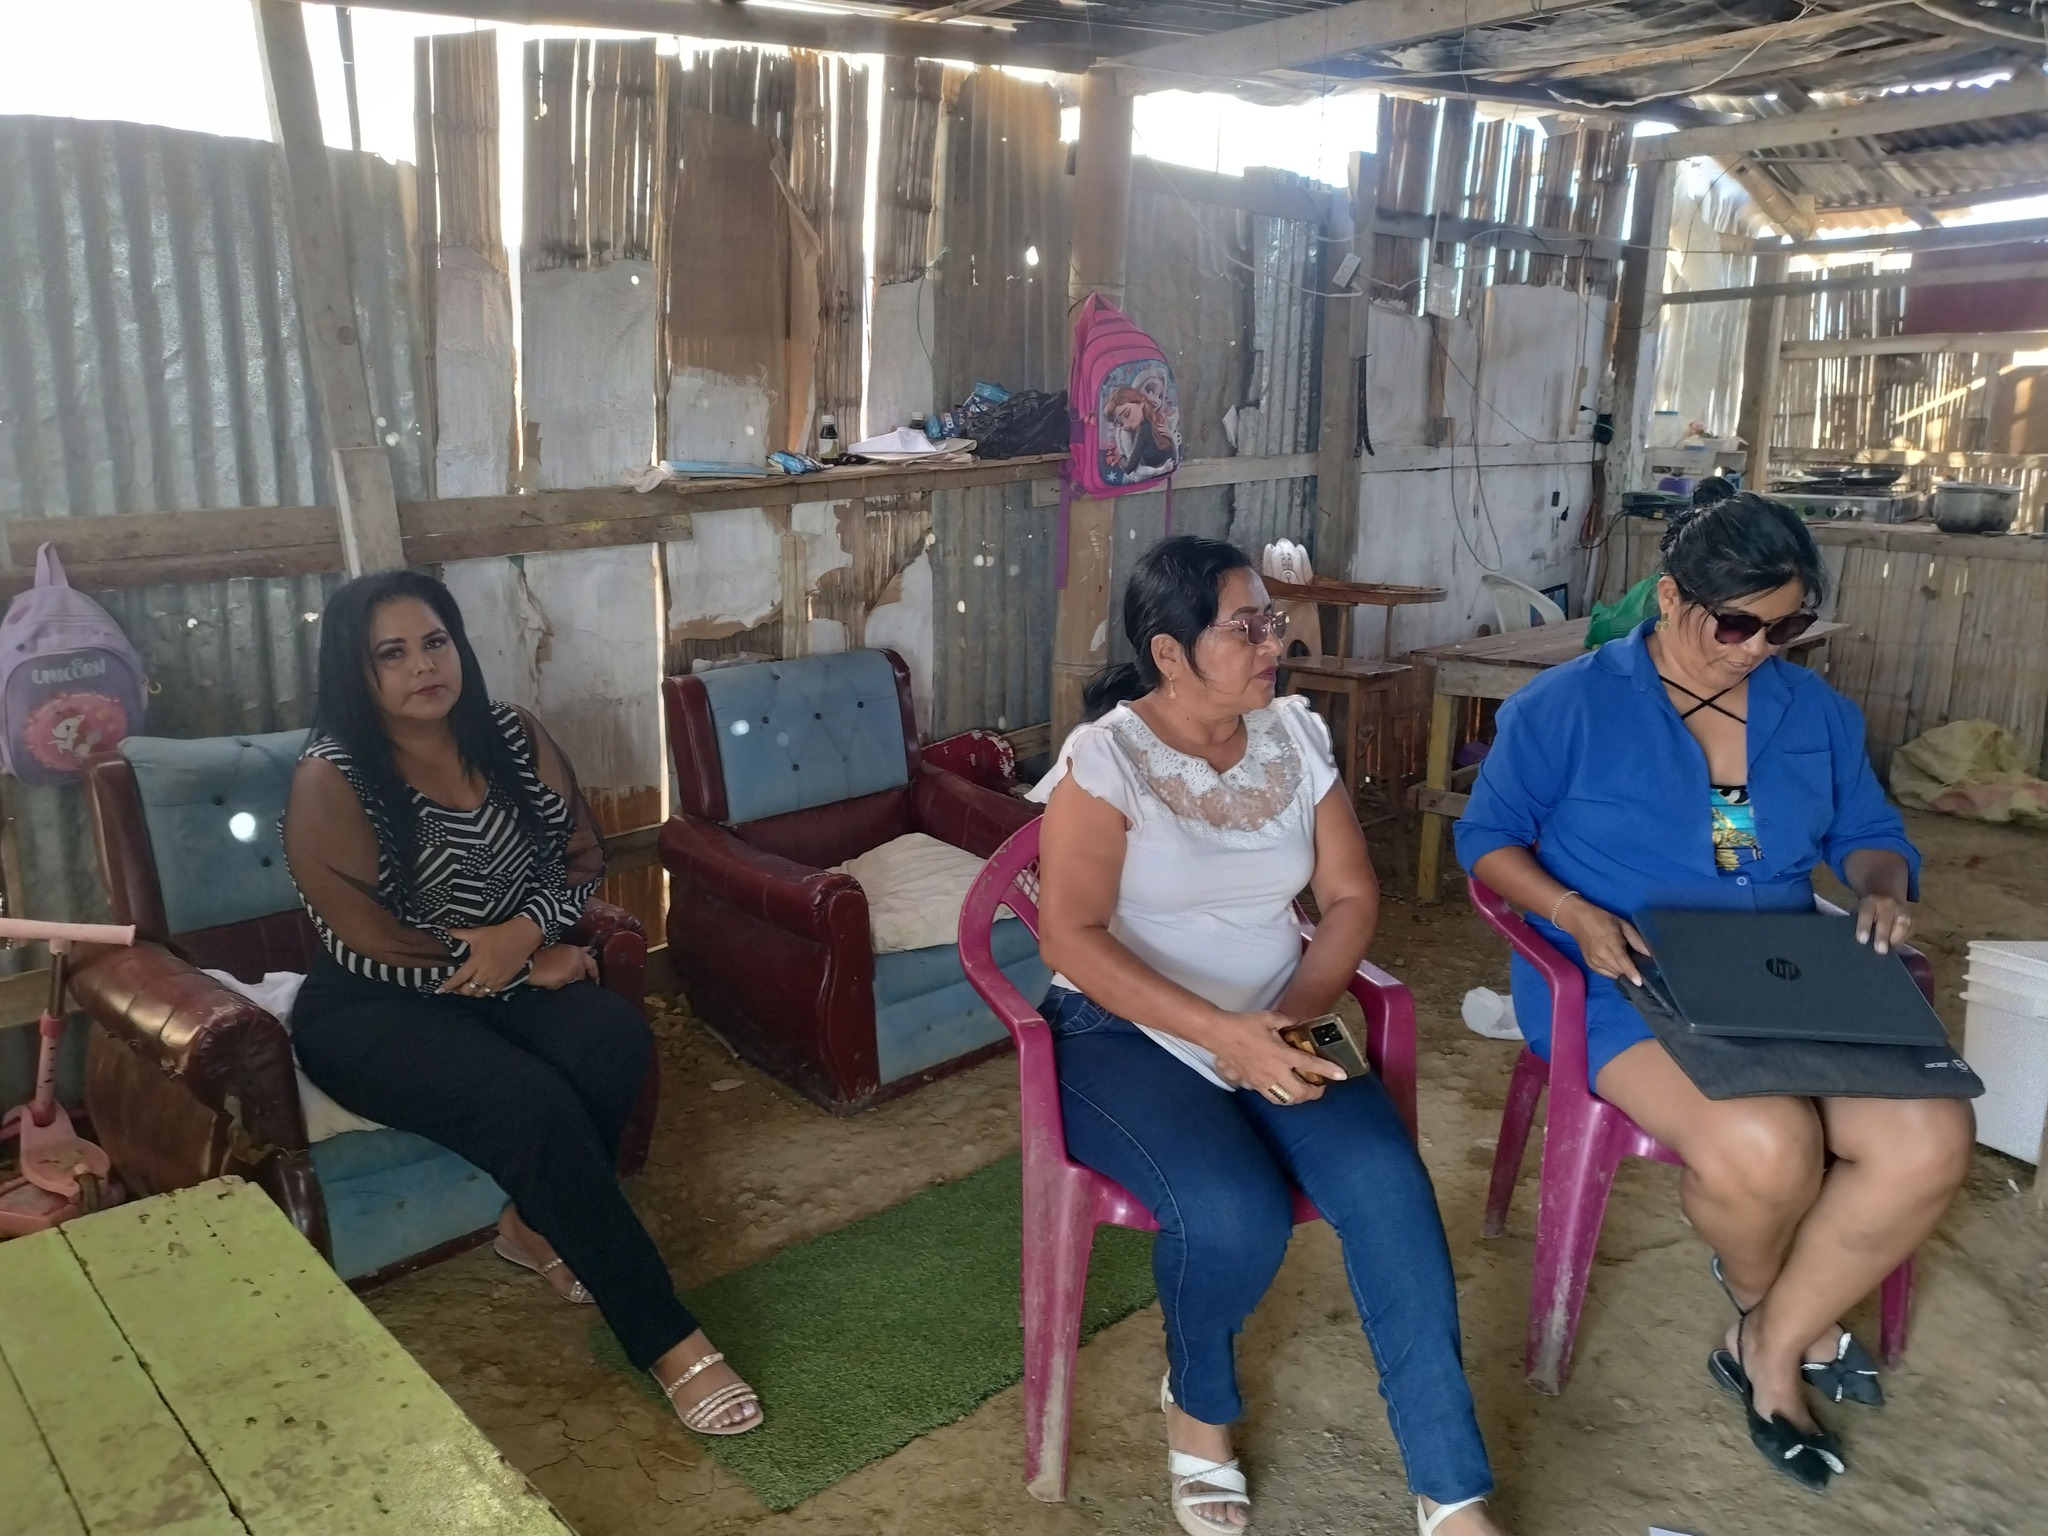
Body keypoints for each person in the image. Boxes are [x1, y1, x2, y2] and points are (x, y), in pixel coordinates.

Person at [1456, 493, 1973, 1492]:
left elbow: (1869, 835)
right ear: (1669, 599)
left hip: (1779, 968)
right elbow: (1485, 839)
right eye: (1735, 625)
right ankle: (1781, 1329)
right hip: (1624, 975)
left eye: (1785, 627)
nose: (1756, 650)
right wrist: (1571, 912)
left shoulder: (1812, 712)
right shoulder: (1566, 707)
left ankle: (1765, 1333)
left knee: (1931, 1137)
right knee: (1765, 1145)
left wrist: (1879, 888)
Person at [1031, 536, 1506, 1536]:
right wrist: (1223, 1036)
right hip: (1123, 1030)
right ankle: (1197, 1402)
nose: (1271, 644)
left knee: (1386, 1183)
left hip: (1282, 1009)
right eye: (1243, 627)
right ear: (1169, 654)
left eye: (1271, 622)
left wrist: (1287, 1018)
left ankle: (1450, 1489)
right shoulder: (1105, 759)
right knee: (1231, 1211)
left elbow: (1349, 897)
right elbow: (1068, 936)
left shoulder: (1292, 735)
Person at [282, 571, 761, 1438]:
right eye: (392, 653)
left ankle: (532, 1225)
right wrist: (519, 967)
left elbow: (579, 858)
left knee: (614, 1037)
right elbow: (370, 939)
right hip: (373, 1006)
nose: (423, 666)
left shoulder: (510, 734)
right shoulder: (333, 778)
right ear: (356, 673)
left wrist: (525, 937)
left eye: (435, 642)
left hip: (504, 968)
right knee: (529, 1102)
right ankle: (666, 1337)